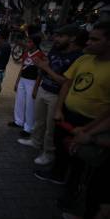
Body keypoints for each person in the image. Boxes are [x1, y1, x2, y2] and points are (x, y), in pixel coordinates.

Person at [34, 22, 110, 185]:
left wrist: (89, 130)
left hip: (91, 122)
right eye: (89, 38)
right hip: (67, 115)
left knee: (80, 161)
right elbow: (67, 84)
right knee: (61, 147)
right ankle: (58, 174)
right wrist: (59, 109)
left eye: (95, 40)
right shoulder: (84, 59)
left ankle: (73, 191)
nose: (88, 42)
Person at [17, 25, 87, 165]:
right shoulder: (55, 50)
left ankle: (48, 153)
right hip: (44, 88)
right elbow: (42, 70)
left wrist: (46, 68)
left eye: (61, 36)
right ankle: (35, 141)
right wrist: (37, 86)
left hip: (56, 95)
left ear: (72, 38)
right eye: (56, 36)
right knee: (39, 120)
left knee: (51, 127)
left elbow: (65, 82)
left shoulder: (78, 57)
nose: (56, 39)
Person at [8, 34, 45, 137]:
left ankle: (29, 127)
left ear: (35, 44)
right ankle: (18, 121)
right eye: (27, 41)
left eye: (30, 42)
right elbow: (22, 67)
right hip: (23, 80)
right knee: (19, 101)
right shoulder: (26, 53)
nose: (27, 44)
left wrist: (36, 87)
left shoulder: (40, 55)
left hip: (32, 82)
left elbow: (40, 73)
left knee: (30, 105)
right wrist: (17, 81)